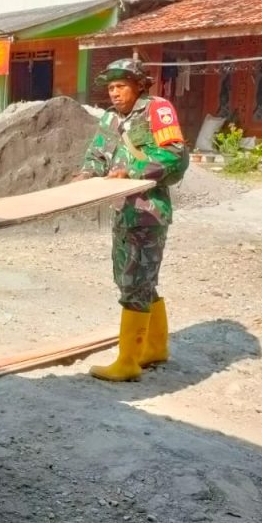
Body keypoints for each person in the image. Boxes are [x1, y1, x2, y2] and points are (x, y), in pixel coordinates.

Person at [76, 59, 189, 382]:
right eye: (111, 87)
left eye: (121, 86)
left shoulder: (157, 110)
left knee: (137, 280)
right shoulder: (111, 119)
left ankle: (127, 361)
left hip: (148, 211)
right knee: (131, 278)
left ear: (139, 85)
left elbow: (175, 155)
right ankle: (154, 347)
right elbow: (97, 155)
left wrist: (133, 172)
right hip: (122, 210)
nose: (114, 93)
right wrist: (85, 176)